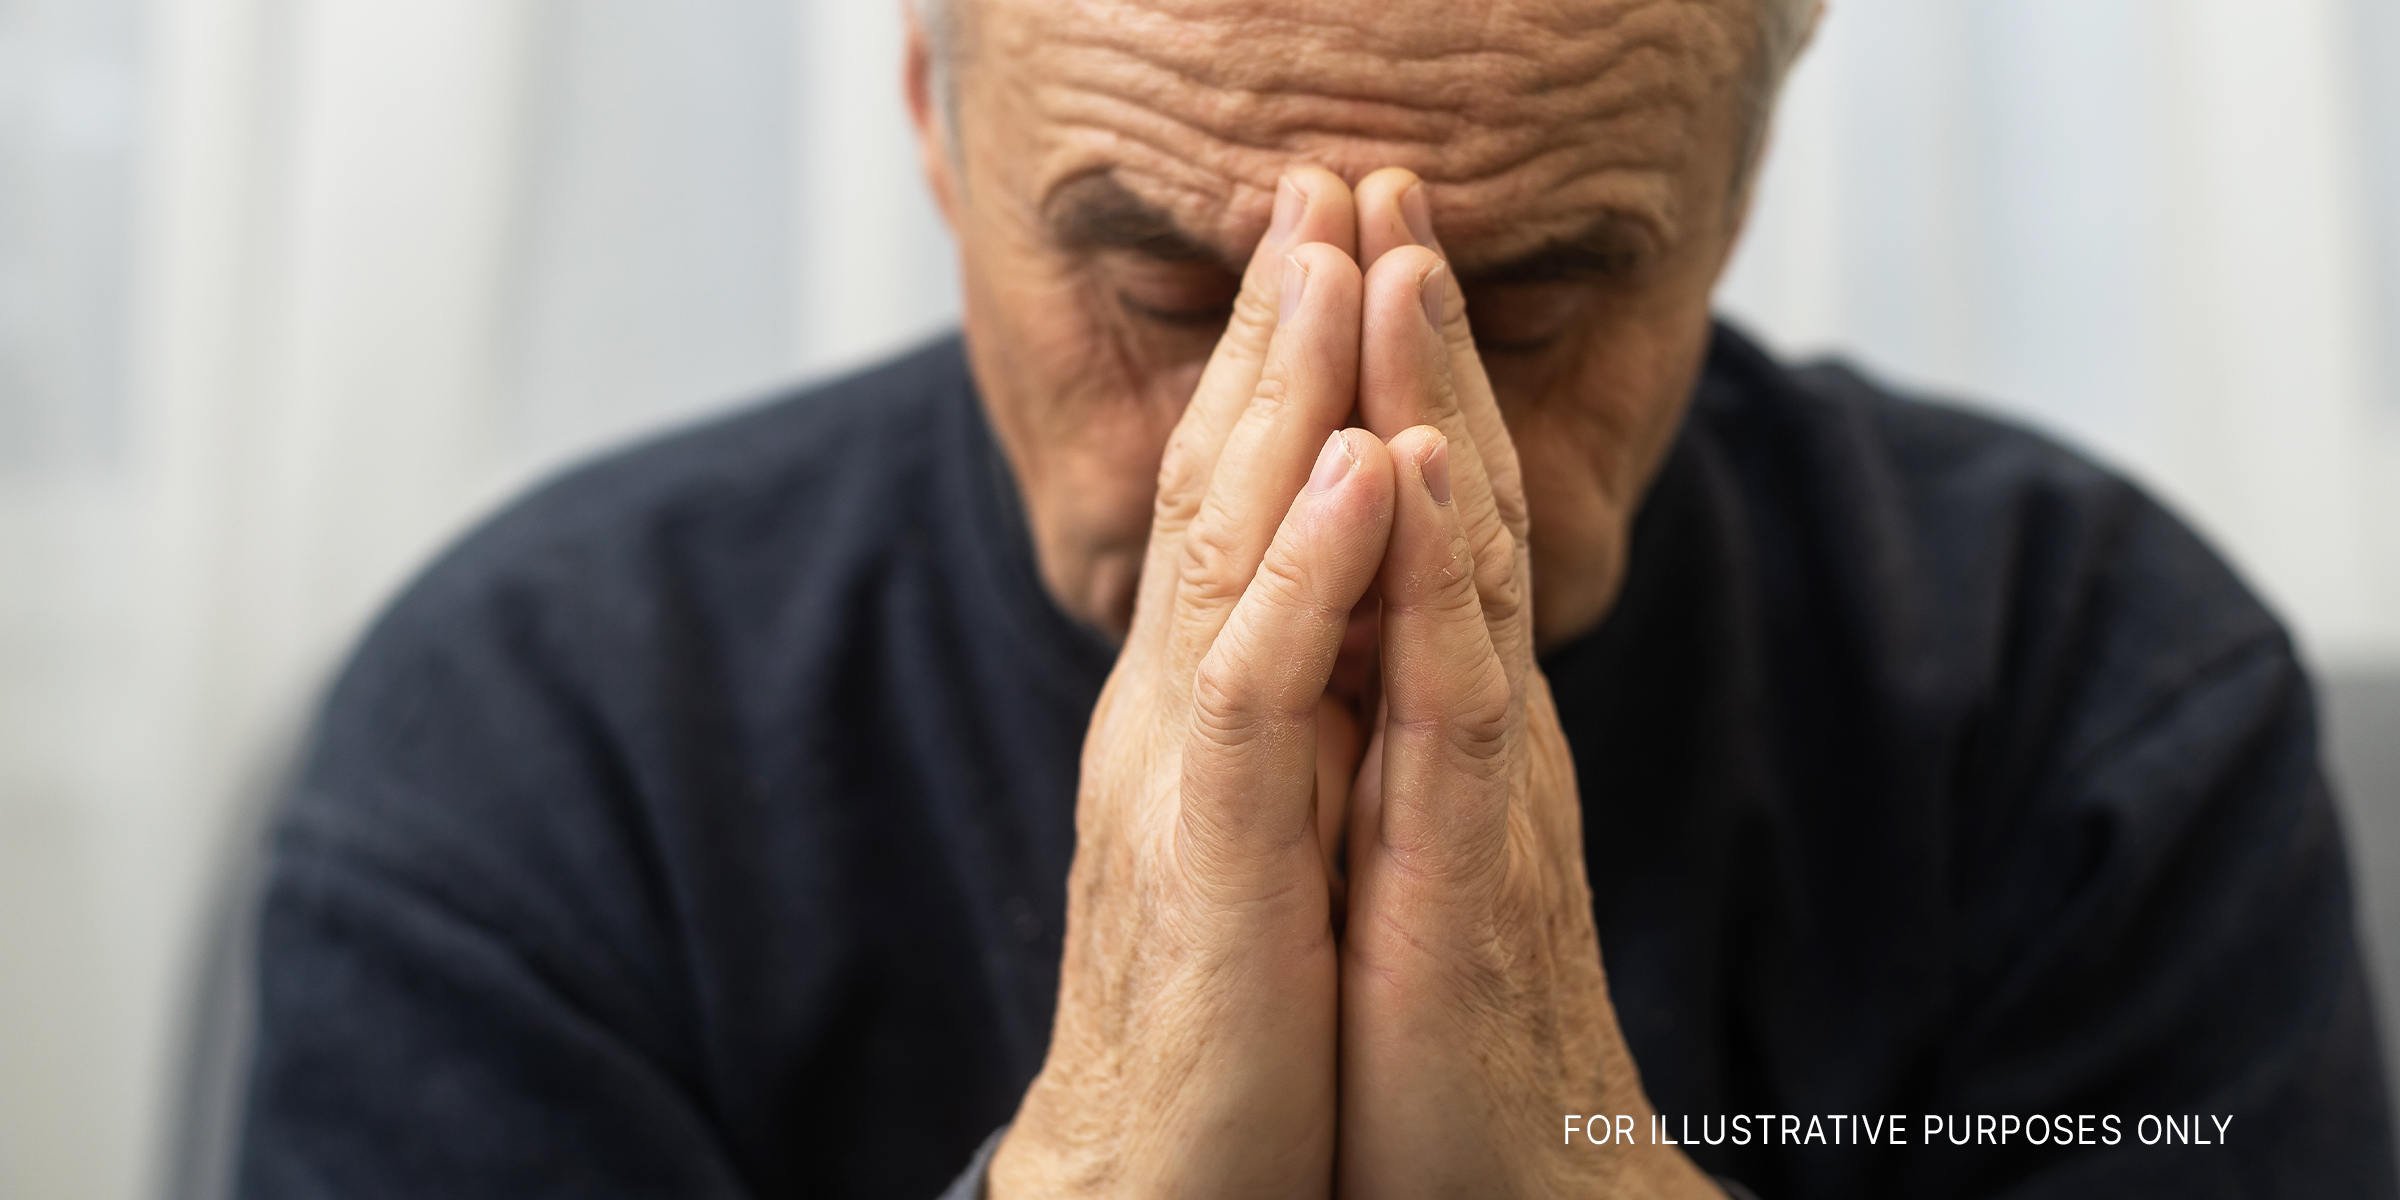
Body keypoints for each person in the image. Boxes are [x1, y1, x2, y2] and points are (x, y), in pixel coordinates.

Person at [231, 0, 2397, 1196]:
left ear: (1736, 191)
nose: (1346, 459)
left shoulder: (2097, 699)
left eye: (1528, 314)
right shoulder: (538, 741)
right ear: (932, 127)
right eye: (1171, 294)